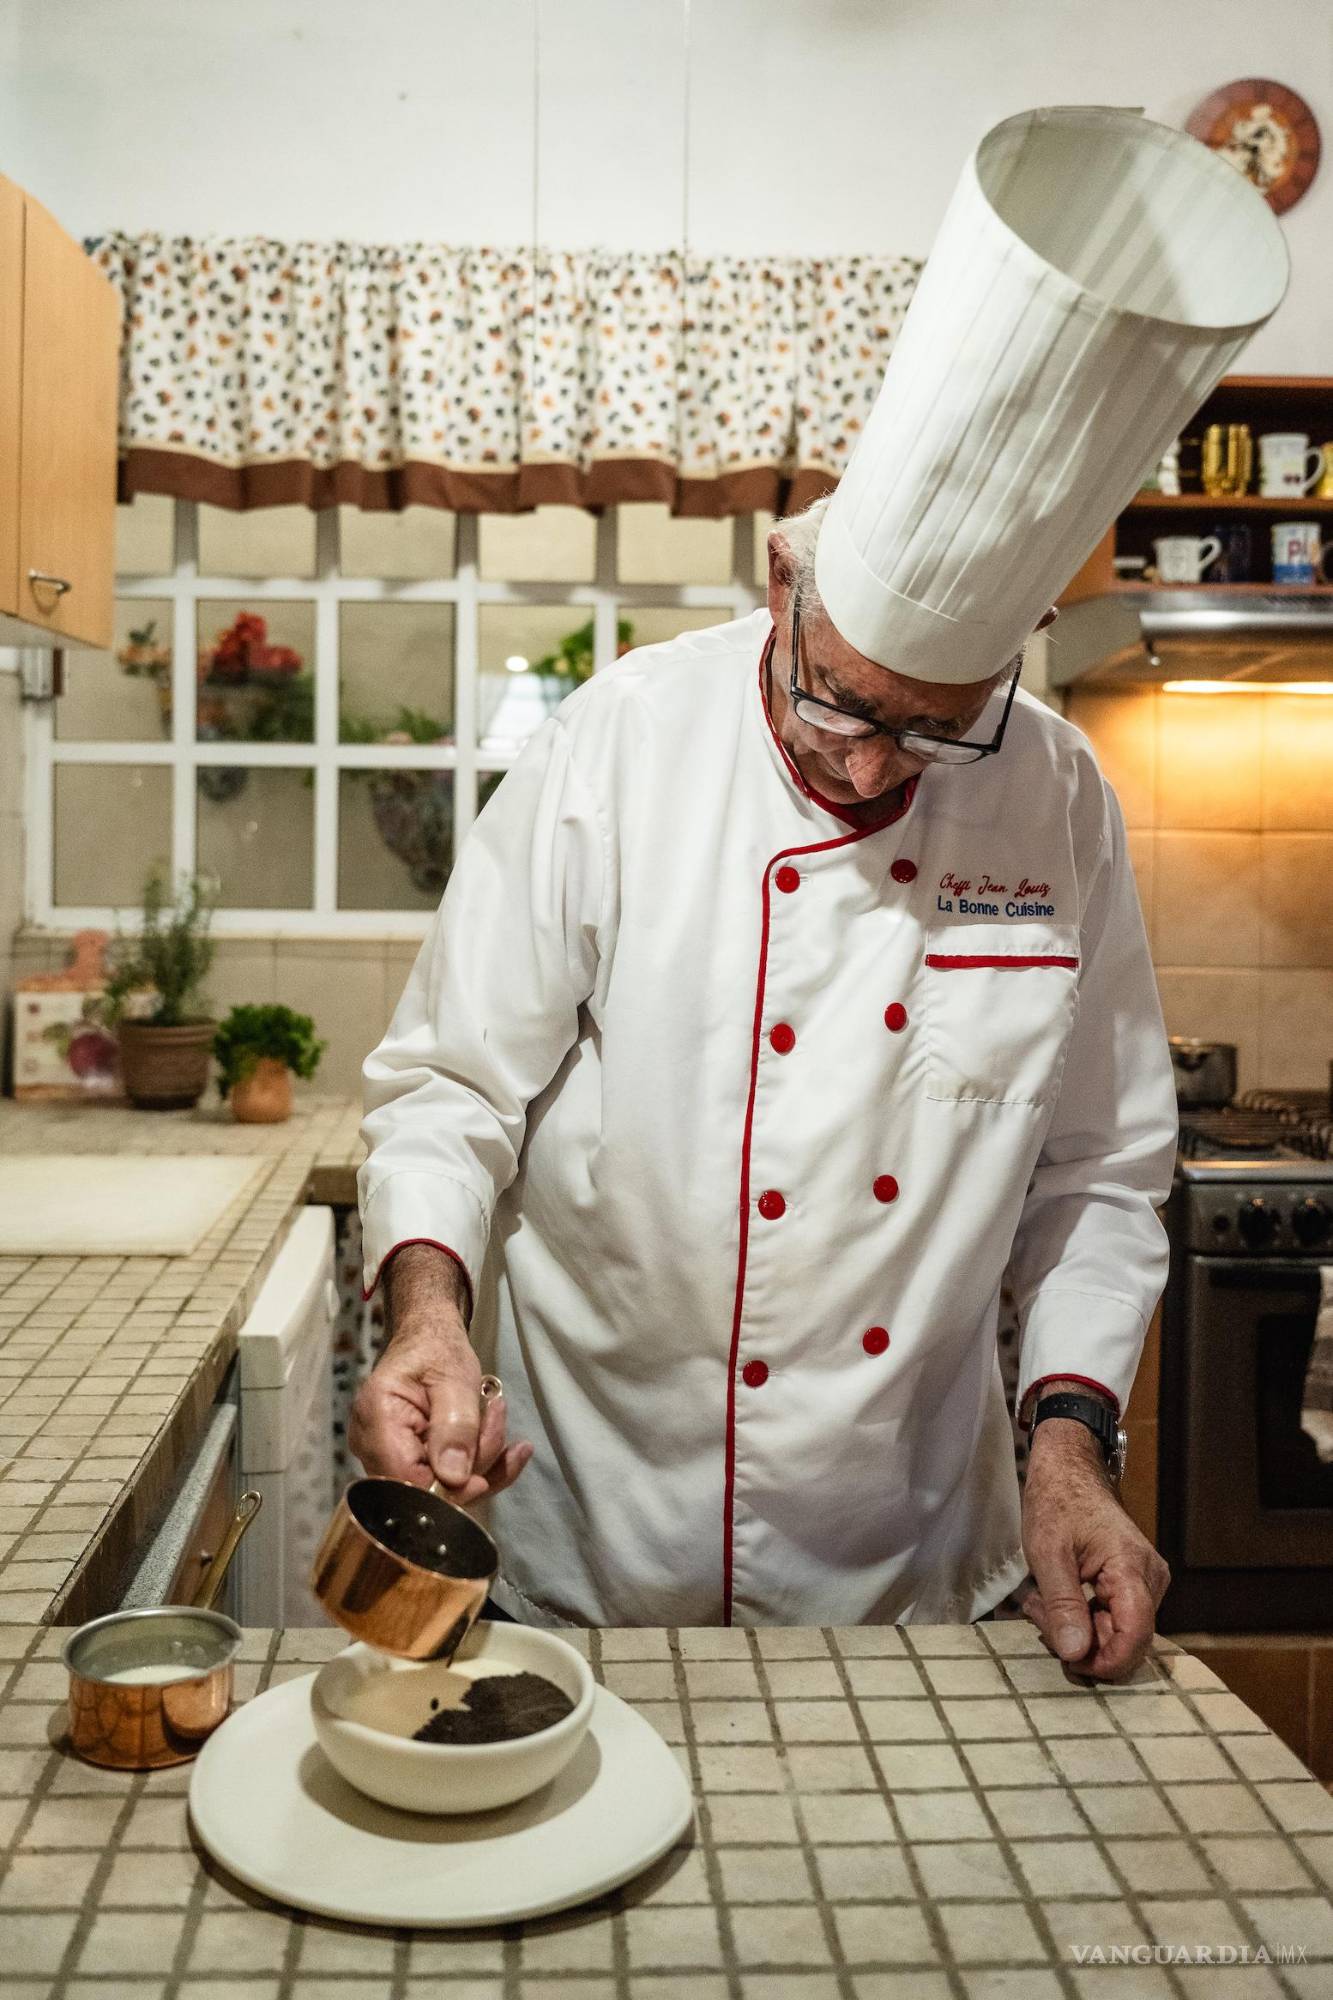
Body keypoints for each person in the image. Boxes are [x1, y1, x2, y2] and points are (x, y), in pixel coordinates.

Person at [351, 105, 1286, 1679]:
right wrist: (428, 1315)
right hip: (597, 1552)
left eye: (936, 724)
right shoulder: (620, 744)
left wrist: (1070, 1448)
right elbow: (449, 1091)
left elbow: (1099, 1176)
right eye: (839, 704)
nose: (870, 768)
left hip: (917, 1561)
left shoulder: (1053, 791)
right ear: (781, 588)